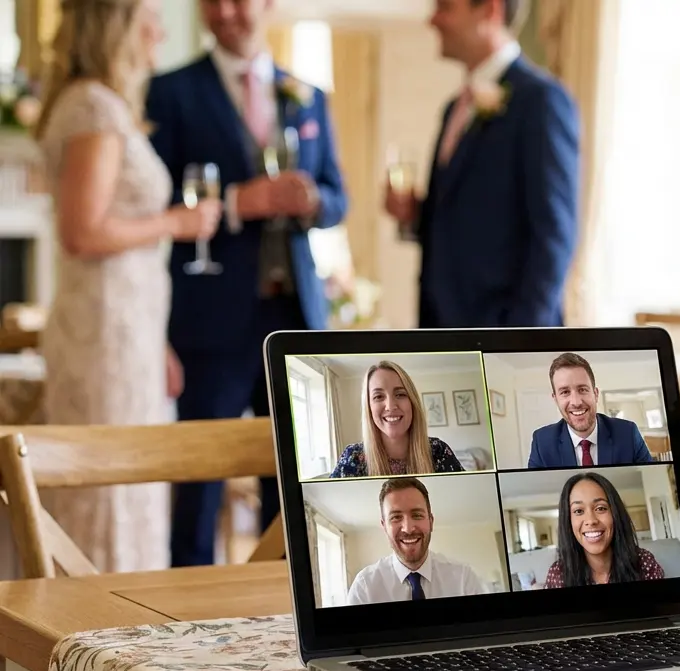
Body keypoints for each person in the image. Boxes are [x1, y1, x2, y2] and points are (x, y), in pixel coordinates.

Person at [146, 0, 349, 566]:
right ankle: (182, 612)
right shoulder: (170, 91)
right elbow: (151, 200)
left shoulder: (307, 94)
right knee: (200, 478)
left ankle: (277, 603)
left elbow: (339, 196)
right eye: (212, 2)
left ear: (268, 6)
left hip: (294, 319)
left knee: (286, 479)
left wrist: (314, 202)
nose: (226, 12)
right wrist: (238, 202)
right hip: (209, 319)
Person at [32, 0, 222, 572]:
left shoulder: (98, 103)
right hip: (105, 338)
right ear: (119, 27)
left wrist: (156, 342)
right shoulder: (94, 107)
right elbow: (82, 232)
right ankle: (99, 633)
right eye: (151, 17)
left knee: (129, 487)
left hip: (123, 329)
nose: (162, 30)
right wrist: (178, 222)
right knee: (110, 487)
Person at [384, 0, 579, 329]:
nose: (433, 20)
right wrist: (416, 215)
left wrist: (519, 341)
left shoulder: (541, 101)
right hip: (442, 332)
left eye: (446, 7)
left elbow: (554, 234)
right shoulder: (453, 109)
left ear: (489, 11)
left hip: (502, 335)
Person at [346, 477, 489, 604]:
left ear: (431, 522)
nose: (408, 529)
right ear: (384, 527)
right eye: (396, 517)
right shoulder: (364, 587)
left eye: (417, 515)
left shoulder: (464, 579)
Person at [330, 361, 465, 478]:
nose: (390, 406)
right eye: (378, 397)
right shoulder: (352, 457)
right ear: (369, 407)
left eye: (400, 394)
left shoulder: (438, 451)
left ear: (412, 402)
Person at [526, 353, 654, 468]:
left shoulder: (628, 433)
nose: (576, 402)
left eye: (582, 389)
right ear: (555, 399)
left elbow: (651, 480)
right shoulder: (542, 442)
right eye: (565, 392)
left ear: (595, 394)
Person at [541, 473, 665, 588]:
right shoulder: (558, 574)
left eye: (600, 508)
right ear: (568, 521)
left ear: (615, 514)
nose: (591, 520)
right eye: (578, 511)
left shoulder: (643, 562)